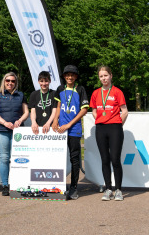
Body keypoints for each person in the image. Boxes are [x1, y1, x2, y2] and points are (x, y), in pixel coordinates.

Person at [89, 65, 128, 201]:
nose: (103, 78)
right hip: (101, 128)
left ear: (111, 76)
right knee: (105, 159)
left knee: (115, 159)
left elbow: (125, 111)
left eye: (106, 75)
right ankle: (108, 189)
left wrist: (118, 123)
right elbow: (94, 111)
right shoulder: (95, 93)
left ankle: (118, 190)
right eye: (101, 76)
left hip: (115, 128)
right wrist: (101, 119)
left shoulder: (117, 92)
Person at [52, 64, 89, 200]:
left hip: (73, 129)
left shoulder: (80, 89)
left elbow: (84, 110)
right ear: (64, 76)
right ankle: (57, 186)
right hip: (60, 129)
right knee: (58, 157)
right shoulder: (60, 89)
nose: (70, 77)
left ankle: (73, 187)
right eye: (67, 75)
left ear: (76, 76)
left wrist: (69, 124)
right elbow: (58, 105)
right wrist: (55, 120)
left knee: (74, 159)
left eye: (72, 75)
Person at [0, 72, 29, 196]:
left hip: (18, 131)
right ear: (4, 81)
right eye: (8, 80)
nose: (10, 83)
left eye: (12, 81)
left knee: (18, 158)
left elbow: (26, 112)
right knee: (5, 158)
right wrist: (5, 123)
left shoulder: (21, 95)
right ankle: (5, 185)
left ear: (15, 83)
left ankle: (18, 184)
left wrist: (20, 120)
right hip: (2, 130)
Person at [28, 71, 57, 135]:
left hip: (51, 127)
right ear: (38, 81)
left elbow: (54, 111)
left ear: (50, 81)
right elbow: (33, 111)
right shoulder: (34, 94)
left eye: (46, 81)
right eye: (41, 81)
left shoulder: (54, 93)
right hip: (37, 127)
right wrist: (33, 122)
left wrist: (48, 123)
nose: (44, 83)